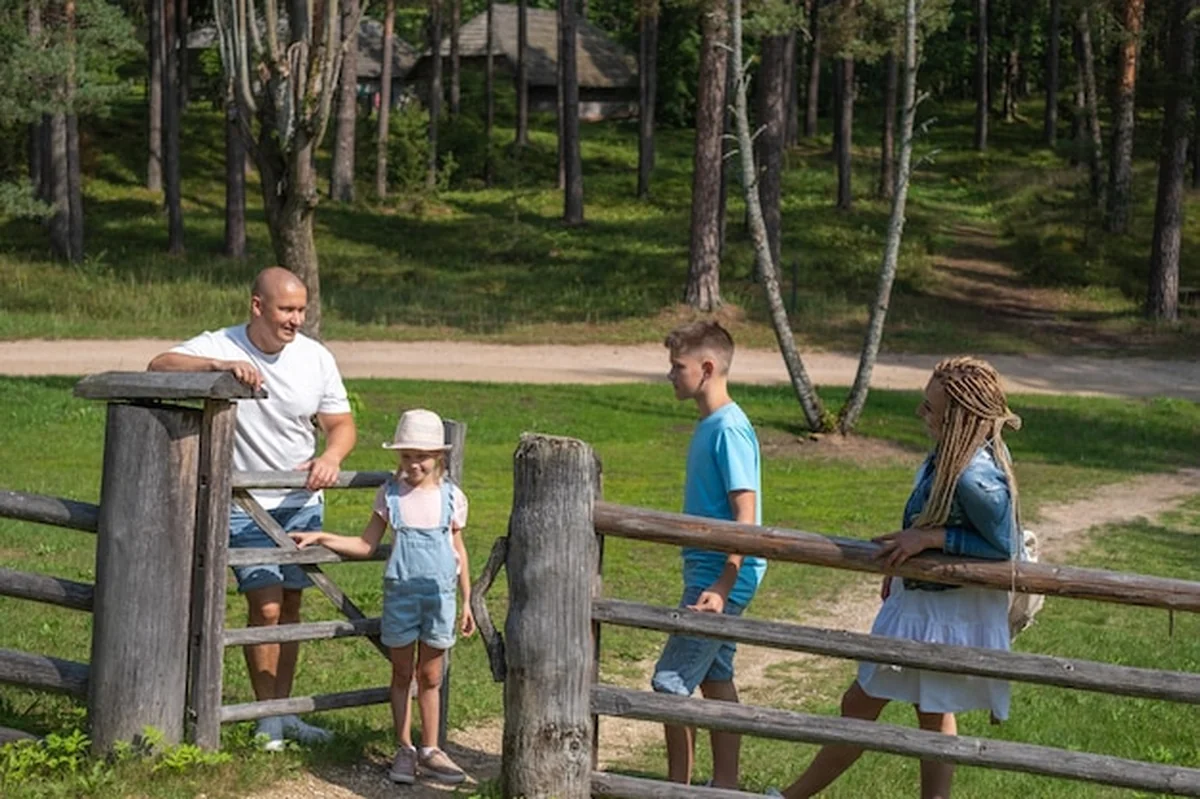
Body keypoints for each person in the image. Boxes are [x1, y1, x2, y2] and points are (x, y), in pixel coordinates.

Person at [771, 357, 1024, 799]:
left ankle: (791, 798)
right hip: (923, 600)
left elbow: (1006, 546)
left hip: (940, 610)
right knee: (930, 710)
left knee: (863, 702)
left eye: (930, 408)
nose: (920, 413)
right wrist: (906, 566)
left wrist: (931, 538)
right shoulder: (949, 456)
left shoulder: (973, 475)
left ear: (957, 418)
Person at [147, 267, 357, 750]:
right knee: (265, 607)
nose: (296, 320)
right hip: (246, 504)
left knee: (292, 605)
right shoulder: (222, 344)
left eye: (301, 309)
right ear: (257, 306)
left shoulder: (316, 357)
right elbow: (159, 365)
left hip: (301, 502)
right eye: (287, 310)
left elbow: (341, 424)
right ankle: (267, 721)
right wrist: (217, 368)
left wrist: (331, 456)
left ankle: (282, 713)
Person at [292, 408, 475, 785]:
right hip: (401, 598)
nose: (413, 464)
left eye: (421, 456)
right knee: (402, 672)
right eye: (406, 456)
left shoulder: (452, 498)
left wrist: (468, 600)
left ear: (438, 457)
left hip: (440, 599)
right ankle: (405, 747)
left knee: (431, 674)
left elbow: (458, 550)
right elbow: (365, 544)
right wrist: (323, 537)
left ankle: (431, 748)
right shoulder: (390, 495)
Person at [650, 321, 766, 789]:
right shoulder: (711, 425)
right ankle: (725, 786)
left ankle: (675, 790)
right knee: (716, 678)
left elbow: (746, 516)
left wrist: (722, 585)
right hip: (710, 573)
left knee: (669, 683)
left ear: (708, 367)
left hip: (719, 578)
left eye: (678, 366)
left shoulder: (730, 429)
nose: (670, 375)